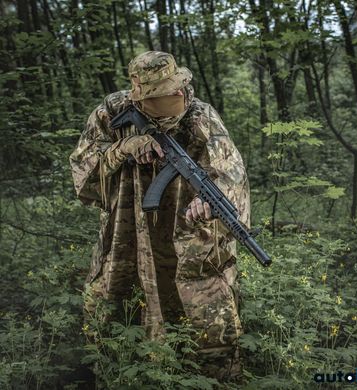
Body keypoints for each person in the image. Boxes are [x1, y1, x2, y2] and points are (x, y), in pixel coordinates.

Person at [69, 51, 250, 381]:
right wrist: (123, 148)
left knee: (206, 326)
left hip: (187, 238)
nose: (178, 93)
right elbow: (84, 179)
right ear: (139, 97)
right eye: (165, 91)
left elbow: (231, 172)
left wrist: (210, 200)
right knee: (113, 319)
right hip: (125, 238)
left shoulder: (201, 118)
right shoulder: (113, 112)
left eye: (178, 86)